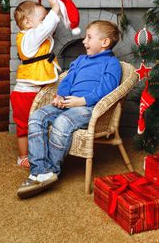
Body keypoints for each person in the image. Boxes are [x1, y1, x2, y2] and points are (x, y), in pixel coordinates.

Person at [17, 20, 122, 198]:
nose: (84, 41)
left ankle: (51, 171)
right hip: (67, 102)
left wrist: (82, 100)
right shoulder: (81, 60)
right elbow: (67, 79)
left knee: (62, 121)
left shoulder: (111, 64)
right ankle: (40, 170)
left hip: (89, 108)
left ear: (104, 42)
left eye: (89, 37)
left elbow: (107, 88)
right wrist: (60, 96)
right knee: (37, 116)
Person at [10, 0, 61, 169]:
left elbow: (47, 29)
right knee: (24, 126)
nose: (46, 21)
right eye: (43, 18)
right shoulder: (28, 38)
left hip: (36, 92)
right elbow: (44, 29)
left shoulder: (37, 36)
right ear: (27, 23)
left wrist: (59, 13)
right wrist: (54, 10)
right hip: (24, 94)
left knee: (38, 125)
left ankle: (40, 151)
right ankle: (23, 156)